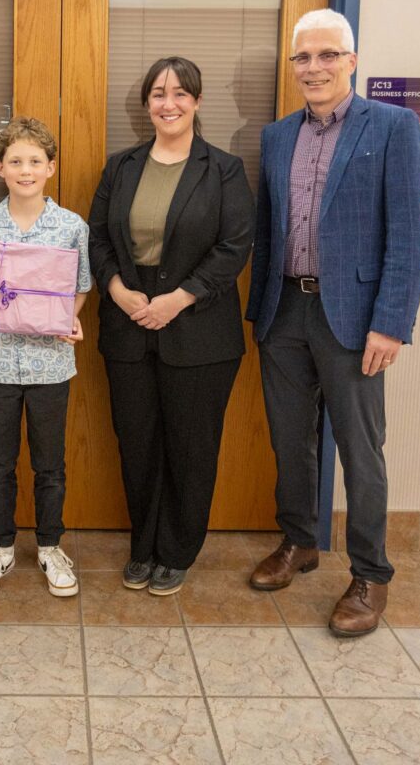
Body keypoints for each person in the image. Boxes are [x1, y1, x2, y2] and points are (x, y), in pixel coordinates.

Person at [246, 8, 420, 637]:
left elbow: (411, 233)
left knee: (360, 450)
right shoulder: (276, 137)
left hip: (356, 319)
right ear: (292, 65)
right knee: (290, 439)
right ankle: (299, 543)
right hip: (284, 311)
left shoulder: (395, 126)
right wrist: (260, 315)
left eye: (327, 55)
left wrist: (391, 324)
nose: (314, 67)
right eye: (303, 57)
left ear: (351, 60)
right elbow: (269, 233)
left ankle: (371, 574)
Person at [89, 57, 255, 595]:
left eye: (181, 93)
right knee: (136, 442)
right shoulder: (121, 166)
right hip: (128, 329)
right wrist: (116, 289)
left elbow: (234, 248)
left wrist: (176, 300)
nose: (169, 103)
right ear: (146, 104)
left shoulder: (224, 169)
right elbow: (98, 238)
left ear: (198, 102)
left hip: (200, 333)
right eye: (159, 93)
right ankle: (144, 545)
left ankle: (177, 550)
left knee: (190, 446)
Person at [0, 117, 91, 598]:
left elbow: (80, 288)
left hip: (51, 364)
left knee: (50, 464)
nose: (25, 169)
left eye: (35, 161)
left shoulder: (70, 226)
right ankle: (0, 549)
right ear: (0, 168)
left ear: (51, 168)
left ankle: (50, 546)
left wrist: (66, 318)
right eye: (15, 161)